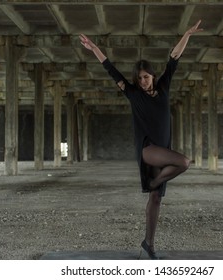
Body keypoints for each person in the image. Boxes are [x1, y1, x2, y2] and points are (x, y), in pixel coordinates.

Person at [79, 20, 203, 259]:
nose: (143, 81)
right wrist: (94, 48)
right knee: (184, 162)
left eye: (146, 76)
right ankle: (153, 181)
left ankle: (149, 244)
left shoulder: (164, 87)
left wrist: (187, 34)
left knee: (155, 199)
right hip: (148, 149)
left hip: (163, 150)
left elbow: (174, 57)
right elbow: (109, 67)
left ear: (153, 76)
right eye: (140, 78)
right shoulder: (133, 93)